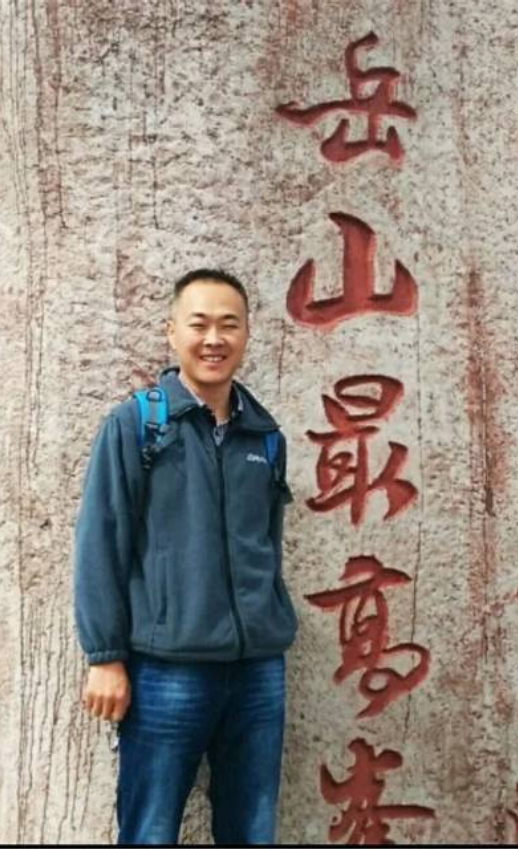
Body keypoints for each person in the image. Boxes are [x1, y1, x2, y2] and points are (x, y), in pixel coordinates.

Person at [73, 268, 298, 845]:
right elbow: (101, 541)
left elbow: (266, 544)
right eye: (199, 324)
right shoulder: (138, 425)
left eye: (229, 325)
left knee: (252, 831)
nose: (213, 339)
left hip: (257, 671)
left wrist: (269, 618)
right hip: (167, 671)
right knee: (150, 831)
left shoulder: (264, 436)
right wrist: (105, 655)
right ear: (172, 332)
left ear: (247, 333)